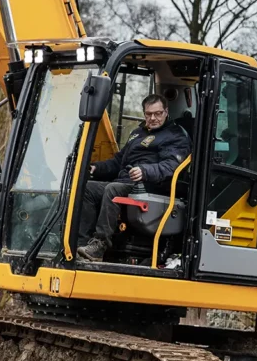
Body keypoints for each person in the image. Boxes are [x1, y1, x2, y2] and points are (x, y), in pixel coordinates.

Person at [76, 93, 191, 262]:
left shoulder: (176, 136)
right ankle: (80, 245)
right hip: (125, 182)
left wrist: (144, 171)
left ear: (166, 112)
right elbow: (118, 161)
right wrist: (96, 168)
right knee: (87, 188)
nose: (153, 118)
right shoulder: (137, 133)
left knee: (112, 190)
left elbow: (170, 166)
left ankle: (99, 246)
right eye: (148, 114)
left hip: (150, 186)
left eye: (158, 113)